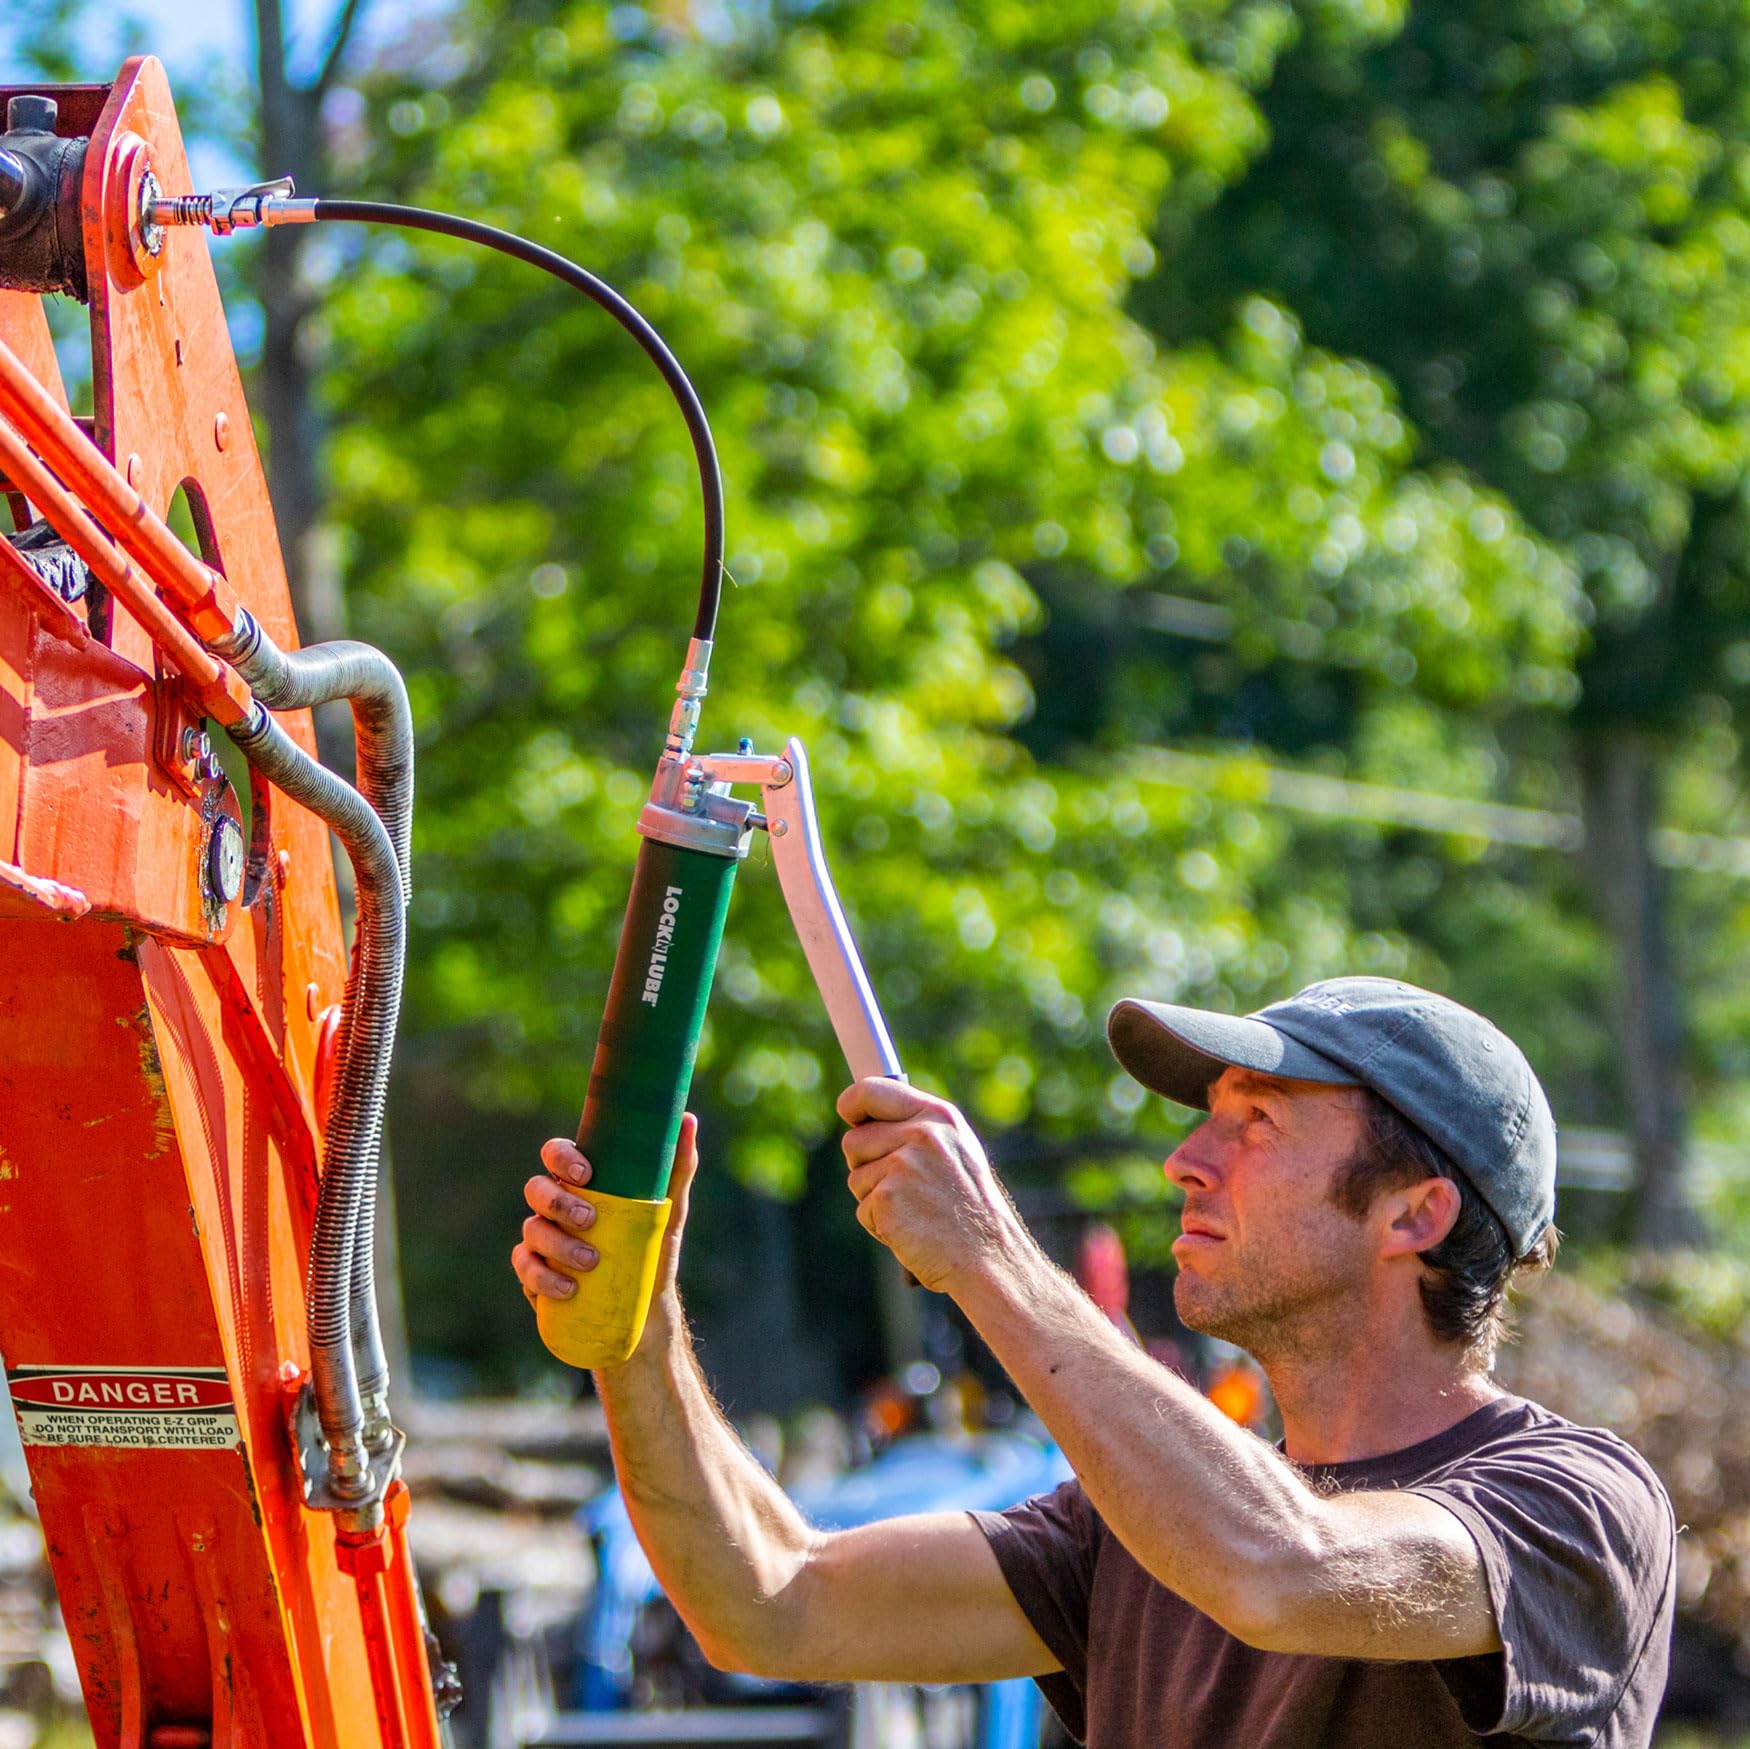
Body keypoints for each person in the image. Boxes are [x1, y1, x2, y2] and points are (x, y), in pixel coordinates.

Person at [513, 976, 1676, 1747]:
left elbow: (1284, 1569)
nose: (1185, 1159)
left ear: (1413, 1216)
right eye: (1204, 1117)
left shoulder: (1577, 1510)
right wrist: (633, 1319)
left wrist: (986, 1256)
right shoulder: (1138, 1526)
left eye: (1255, 1121)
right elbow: (771, 1603)